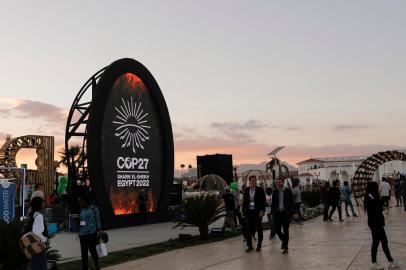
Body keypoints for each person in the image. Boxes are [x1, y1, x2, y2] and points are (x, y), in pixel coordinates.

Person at [364, 182, 399, 269]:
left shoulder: (370, 195)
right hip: (375, 223)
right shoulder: (371, 196)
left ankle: (391, 261)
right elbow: (379, 206)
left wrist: (380, 202)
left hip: (376, 222)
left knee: (384, 241)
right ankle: (374, 263)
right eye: (376, 186)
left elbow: (379, 206)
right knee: (376, 242)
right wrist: (381, 202)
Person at [242, 176, 266, 252]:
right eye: (252, 181)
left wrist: (262, 210)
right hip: (249, 212)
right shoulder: (246, 190)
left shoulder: (260, 190)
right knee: (248, 229)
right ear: (249, 182)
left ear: (256, 181)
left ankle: (259, 245)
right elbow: (245, 201)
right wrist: (243, 211)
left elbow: (263, 201)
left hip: (258, 213)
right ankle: (249, 246)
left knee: (259, 229)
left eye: (255, 180)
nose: (253, 182)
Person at [78, 194, 102, 270]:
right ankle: (85, 268)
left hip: (92, 233)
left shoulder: (94, 208)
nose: (80, 203)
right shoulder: (81, 210)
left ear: (85, 200)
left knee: (93, 251)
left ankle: (97, 266)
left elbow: (98, 219)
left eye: (81, 201)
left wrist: (99, 230)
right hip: (82, 234)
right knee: (84, 253)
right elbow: (82, 222)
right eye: (79, 202)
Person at [272, 178, 293, 254]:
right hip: (277, 214)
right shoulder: (275, 192)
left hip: (285, 214)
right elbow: (273, 204)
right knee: (277, 230)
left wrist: (292, 212)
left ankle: (285, 248)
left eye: (280, 182)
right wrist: (272, 213)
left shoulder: (288, 191)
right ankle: (284, 241)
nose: (278, 184)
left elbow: (291, 202)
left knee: (285, 230)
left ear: (283, 182)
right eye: (277, 182)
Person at [26, 195, 48, 270]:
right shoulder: (39, 216)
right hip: (39, 247)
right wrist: (45, 239)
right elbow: (37, 233)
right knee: (41, 266)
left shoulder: (33, 215)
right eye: (42, 202)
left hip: (33, 247)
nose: (43, 204)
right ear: (39, 204)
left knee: (35, 266)